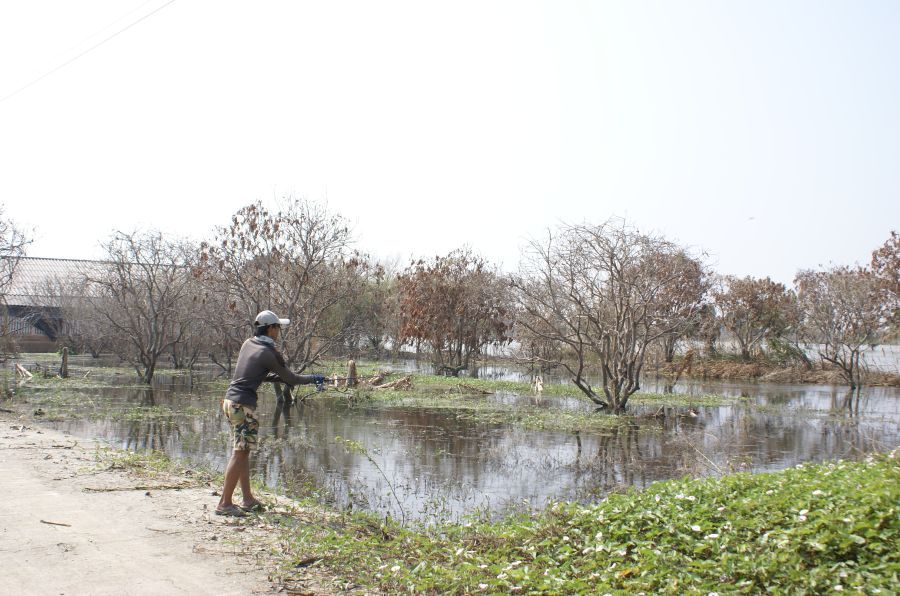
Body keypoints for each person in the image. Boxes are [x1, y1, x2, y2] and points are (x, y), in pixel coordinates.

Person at [216, 310, 324, 517]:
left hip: (229, 402)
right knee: (239, 454)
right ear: (271, 328)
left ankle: (247, 499)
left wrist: (282, 377)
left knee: (243, 452)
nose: (279, 332)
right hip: (242, 406)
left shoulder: (248, 344)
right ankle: (224, 503)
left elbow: (257, 374)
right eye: (278, 328)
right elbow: (291, 379)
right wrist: (314, 378)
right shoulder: (269, 353)